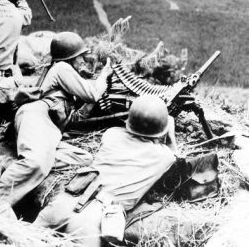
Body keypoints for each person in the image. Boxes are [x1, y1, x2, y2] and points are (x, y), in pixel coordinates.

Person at [0, 31, 113, 213]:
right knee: (36, 163)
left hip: (49, 130)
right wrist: (104, 76)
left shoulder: (65, 80)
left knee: (84, 159)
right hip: (35, 117)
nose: (82, 62)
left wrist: (85, 108)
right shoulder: (62, 67)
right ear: (70, 57)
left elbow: (73, 118)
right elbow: (92, 93)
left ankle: (9, 165)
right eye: (80, 57)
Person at [33, 95, 177, 247]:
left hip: (64, 202)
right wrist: (170, 132)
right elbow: (175, 155)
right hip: (93, 218)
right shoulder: (164, 156)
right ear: (161, 129)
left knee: (23, 239)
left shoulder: (112, 134)